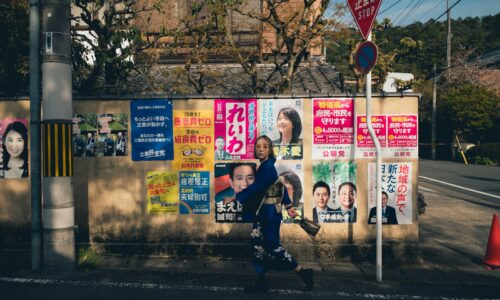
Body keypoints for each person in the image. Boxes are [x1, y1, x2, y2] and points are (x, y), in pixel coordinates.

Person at [223, 135, 313, 293]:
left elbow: (256, 188)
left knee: (272, 246)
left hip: (270, 214)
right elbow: (279, 186)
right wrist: (288, 205)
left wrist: (235, 197)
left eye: (265, 146)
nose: (261, 149)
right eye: (258, 146)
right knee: (257, 244)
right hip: (264, 212)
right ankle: (261, 281)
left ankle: (302, 272)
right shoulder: (266, 166)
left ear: (270, 149)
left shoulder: (268, 168)